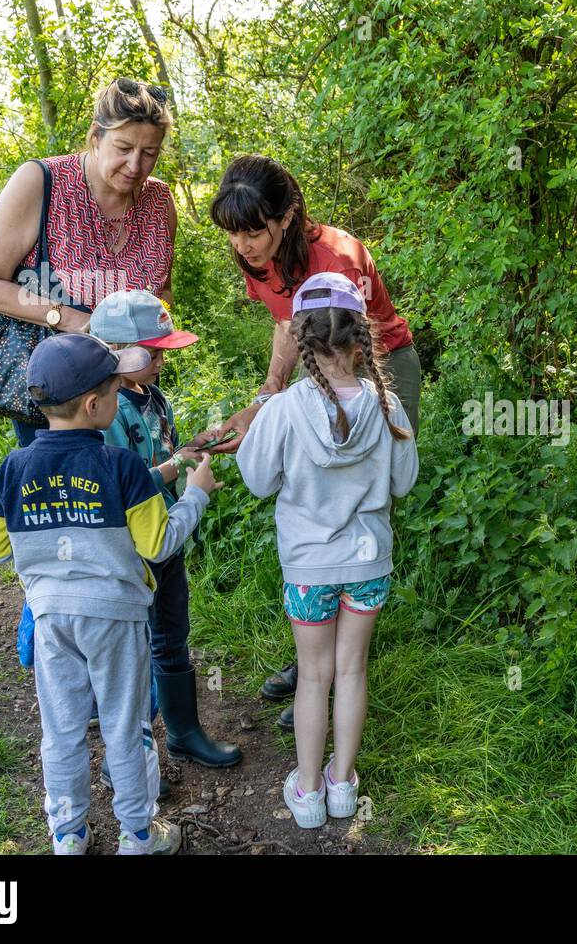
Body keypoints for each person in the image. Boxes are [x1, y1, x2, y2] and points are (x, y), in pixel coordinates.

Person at [0, 334, 221, 854]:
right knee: (127, 726)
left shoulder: (13, 468)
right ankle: (138, 835)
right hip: (115, 617)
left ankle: (67, 835)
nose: (118, 397)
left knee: (61, 730)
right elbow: (159, 543)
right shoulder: (120, 467)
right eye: (114, 390)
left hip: (52, 619)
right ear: (95, 405)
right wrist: (196, 492)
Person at [0, 77, 177, 672]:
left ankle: (148, 679)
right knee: (61, 531)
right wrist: (73, 320)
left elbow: (157, 294)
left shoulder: (160, 203)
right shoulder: (41, 182)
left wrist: (148, 349)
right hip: (55, 394)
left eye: (151, 153)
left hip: (126, 392)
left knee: (132, 518)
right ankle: (55, 661)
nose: (136, 166)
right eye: (124, 149)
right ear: (94, 137)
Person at [204, 153, 420, 730]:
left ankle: (334, 671)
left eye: (253, 231)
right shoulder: (259, 258)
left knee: (360, 495)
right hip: (320, 363)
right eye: (232, 232)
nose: (243, 245)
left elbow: (342, 347)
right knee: (323, 492)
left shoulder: (334, 260)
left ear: (288, 214)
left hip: (375, 363)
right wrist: (266, 400)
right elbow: (286, 324)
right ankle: (315, 665)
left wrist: (274, 421)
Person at [236, 272, 418, 829]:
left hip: (309, 569)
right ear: (361, 341)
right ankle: (343, 785)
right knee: (352, 670)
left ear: (301, 339)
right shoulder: (387, 407)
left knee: (313, 677)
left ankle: (309, 792)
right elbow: (403, 483)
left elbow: (258, 480)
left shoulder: (285, 409)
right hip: (368, 565)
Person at [91, 290, 243, 779]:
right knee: (131, 649)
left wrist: (190, 448)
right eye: (152, 352)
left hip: (166, 536)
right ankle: (130, 754)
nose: (160, 361)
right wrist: (177, 469)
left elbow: (164, 450)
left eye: (162, 351)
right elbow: (122, 483)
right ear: (116, 351)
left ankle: (182, 733)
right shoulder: (102, 411)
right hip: (129, 549)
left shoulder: (152, 395)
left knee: (172, 633)